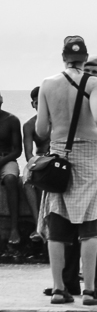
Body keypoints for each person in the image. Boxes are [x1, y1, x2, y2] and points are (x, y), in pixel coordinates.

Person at [42, 55, 97, 303]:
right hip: (72, 164)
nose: (90, 74)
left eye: (95, 71)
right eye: (86, 68)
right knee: (66, 225)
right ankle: (67, 283)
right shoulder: (68, 91)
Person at [22, 87, 49, 242]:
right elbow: (28, 155)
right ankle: (38, 226)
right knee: (27, 181)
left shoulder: (58, 121)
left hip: (57, 160)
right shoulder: (29, 125)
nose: (41, 105)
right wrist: (37, 164)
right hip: (38, 160)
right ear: (33, 104)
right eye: (38, 103)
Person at [0, 90, 23, 247]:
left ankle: (14, 228)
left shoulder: (11, 120)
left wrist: (2, 160)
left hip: (7, 158)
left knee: (10, 179)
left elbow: (17, 150)